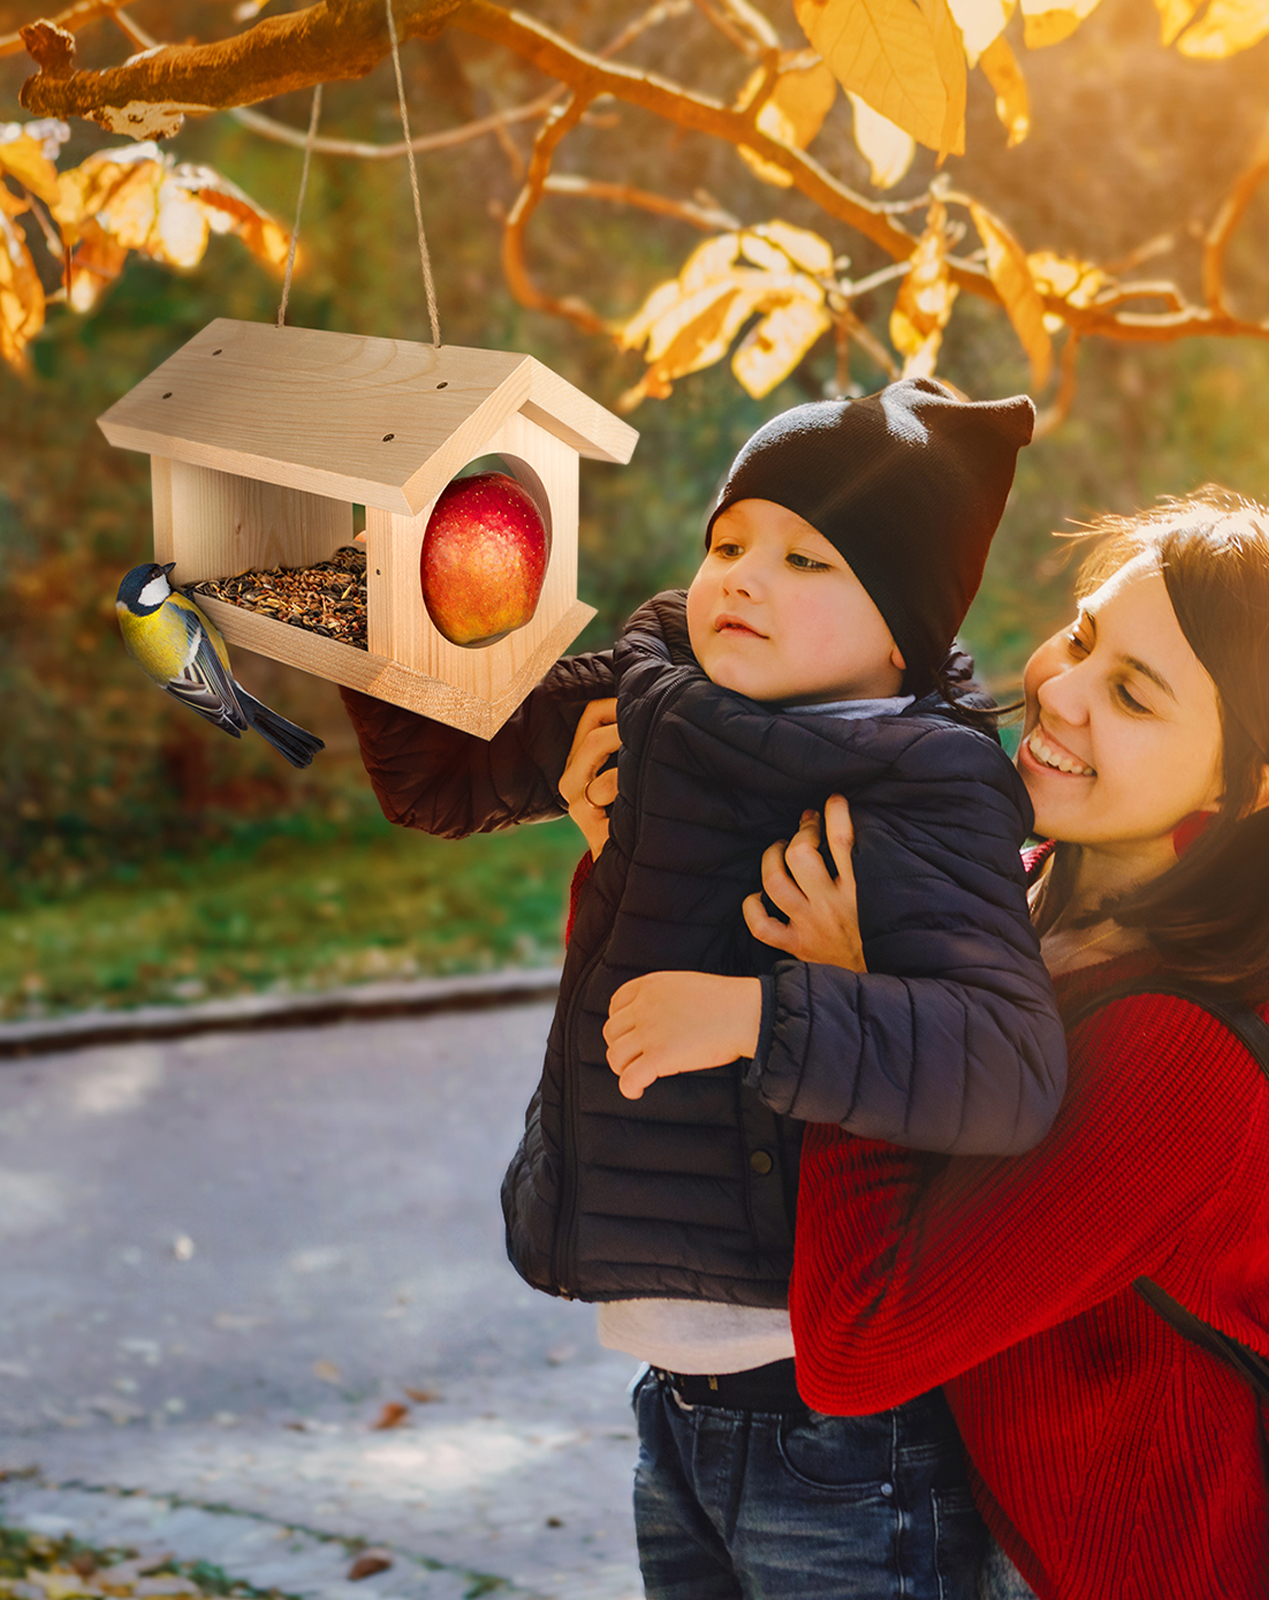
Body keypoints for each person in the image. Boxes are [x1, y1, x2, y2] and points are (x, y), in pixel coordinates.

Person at [339, 377, 1070, 1599]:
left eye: (807, 559)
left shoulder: (927, 783)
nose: (744, 576)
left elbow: (1004, 1063)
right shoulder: (651, 698)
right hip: (676, 1404)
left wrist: (755, 1015)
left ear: (903, 629)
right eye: (730, 541)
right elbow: (441, 772)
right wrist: (371, 576)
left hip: (849, 1428)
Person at [769, 489, 1269, 1600]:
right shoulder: (1027, 905)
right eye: (1080, 632)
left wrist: (854, 1018)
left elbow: (856, 1344)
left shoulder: (1174, 1053)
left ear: (1241, 786)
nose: (1055, 687)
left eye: (1130, 692)